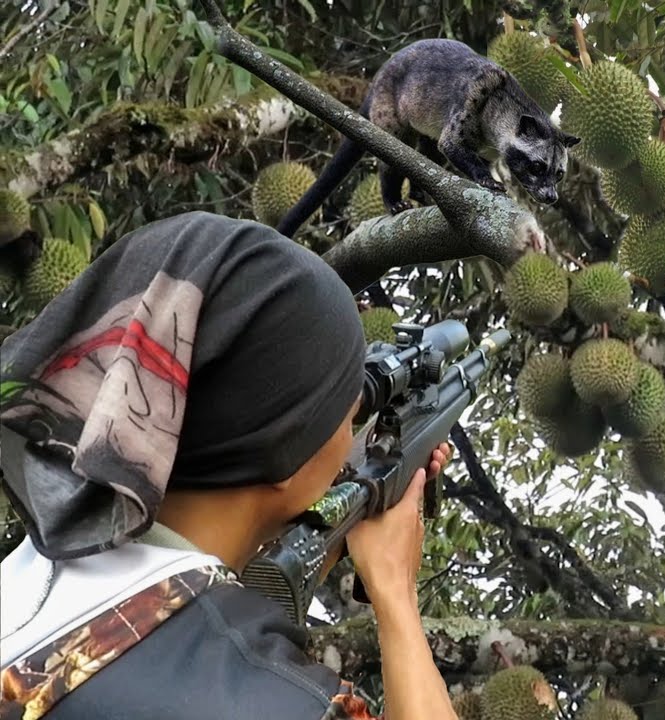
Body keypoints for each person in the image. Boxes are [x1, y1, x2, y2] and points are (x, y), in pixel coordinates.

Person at [0, 212, 459, 720]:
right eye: (347, 417)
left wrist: (315, 536)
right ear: (287, 446)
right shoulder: (280, 702)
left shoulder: (40, 569)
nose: (350, 438)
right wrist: (394, 590)